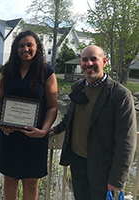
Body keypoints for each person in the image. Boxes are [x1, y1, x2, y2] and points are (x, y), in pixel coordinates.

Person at [50, 45, 137, 199]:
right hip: (77, 163)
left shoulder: (120, 95)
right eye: (84, 60)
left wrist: (117, 178)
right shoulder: (79, 88)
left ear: (104, 62)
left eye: (93, 59)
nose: (88, 63)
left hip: (102, 167)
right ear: (80, 63)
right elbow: (70, 116)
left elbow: (126, 140)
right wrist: (55, 129)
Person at [0, 30, 58, 199]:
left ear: (37, 47)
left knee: (31, 181)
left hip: (34, 137)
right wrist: (0, 122)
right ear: (15, 48)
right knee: (9, 179)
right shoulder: (7, 71)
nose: (25, 49)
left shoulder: (46, 72)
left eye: (30, 45)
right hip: (9, 135)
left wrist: (43, 131)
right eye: (21, 46)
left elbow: (52, 107)